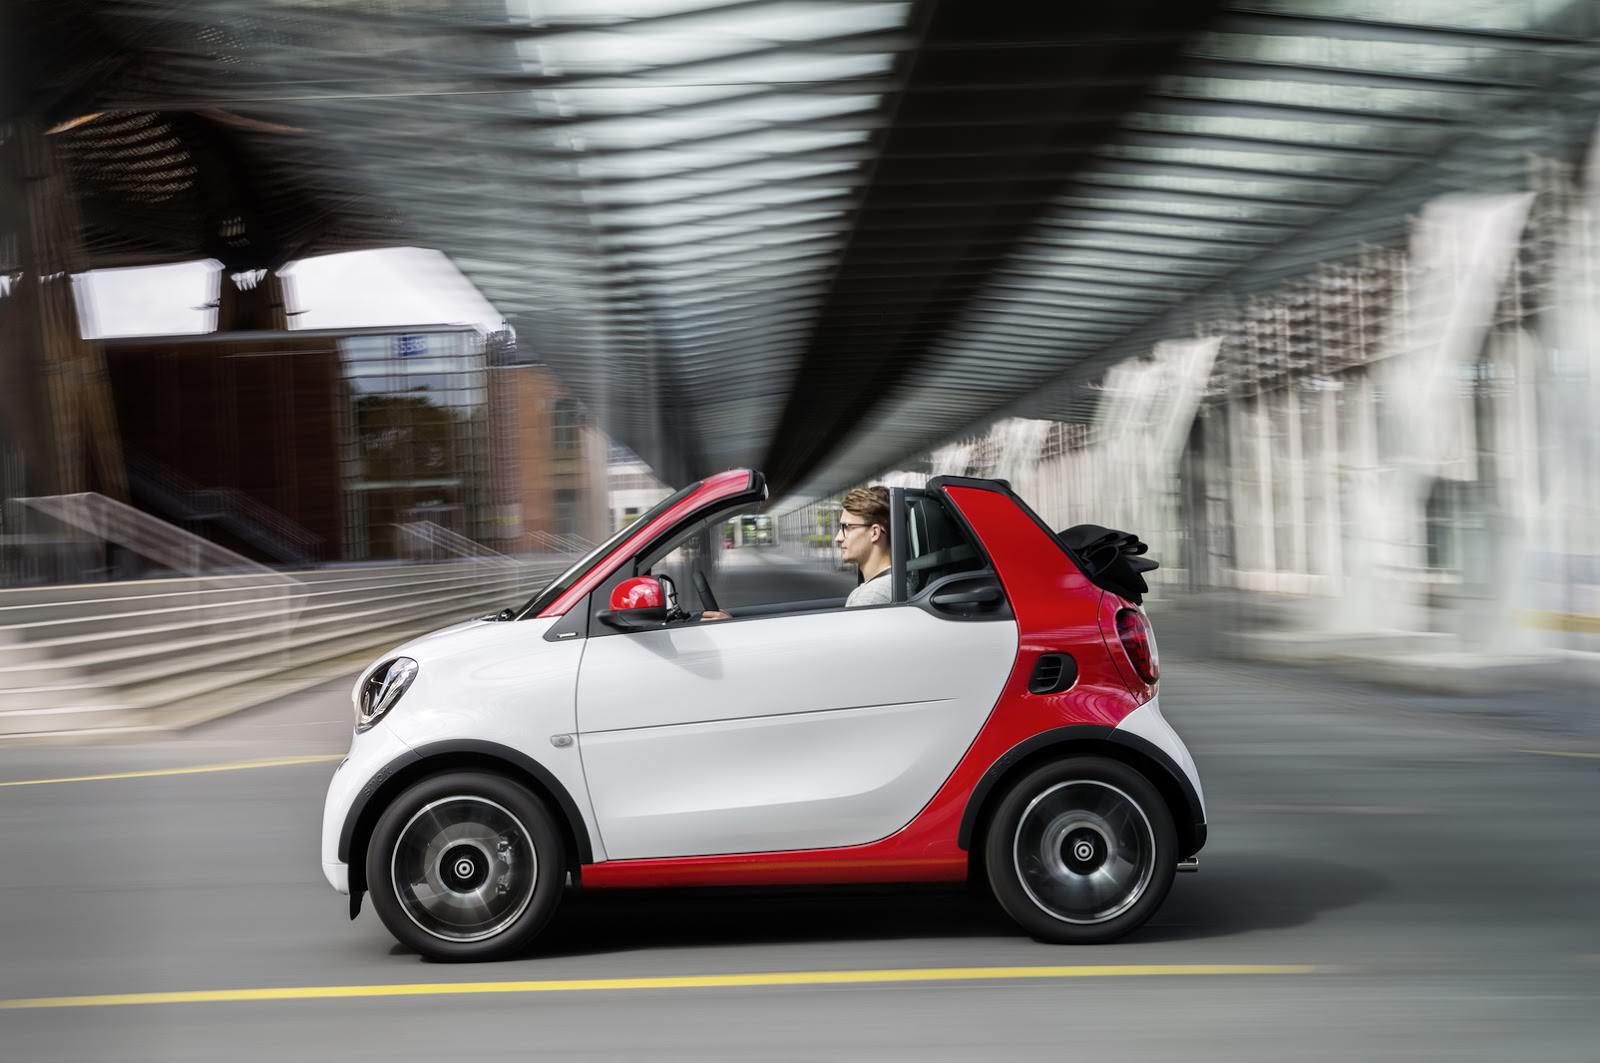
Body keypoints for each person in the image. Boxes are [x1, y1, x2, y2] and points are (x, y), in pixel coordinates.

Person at [837, 485, 892, 607]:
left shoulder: (873, 597)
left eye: (846, 527)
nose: (838, 538)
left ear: (874, 533)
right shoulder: (892, 585)